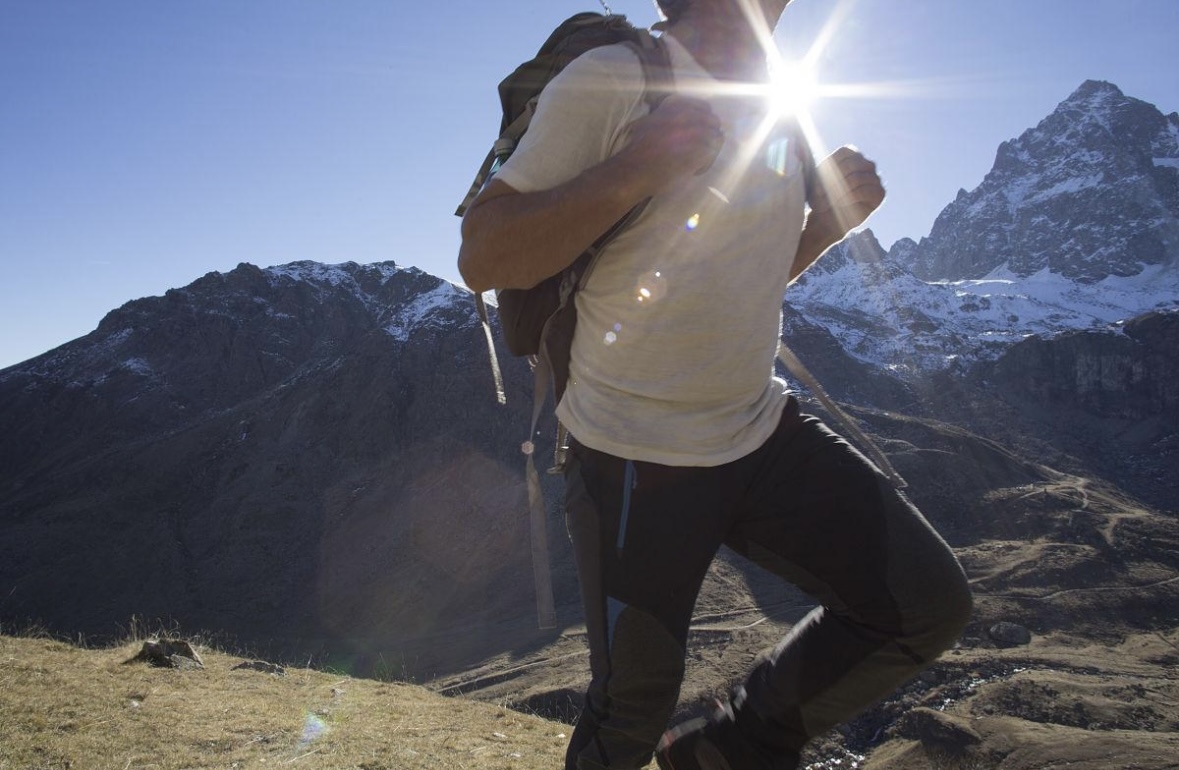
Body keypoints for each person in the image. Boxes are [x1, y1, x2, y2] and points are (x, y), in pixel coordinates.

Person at [458, 0, 973, 768]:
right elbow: (484, 254)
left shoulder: (779, 102)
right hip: (630, 454)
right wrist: (635, 167)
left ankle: (725, 754)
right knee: (631, 703)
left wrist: (824, 228)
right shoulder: (612, 79)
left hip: (759, 431)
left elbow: (730, 282)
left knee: (922, 607)